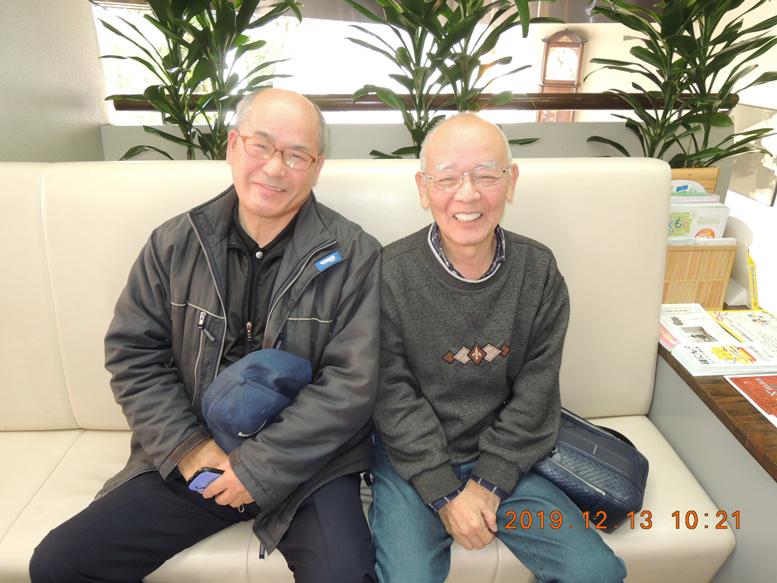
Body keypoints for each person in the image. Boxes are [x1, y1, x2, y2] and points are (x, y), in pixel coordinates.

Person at [30, 88, 381, 583]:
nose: (275, 167)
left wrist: (257, 469)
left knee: (344, 575)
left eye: (296, 155)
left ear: (316, 167)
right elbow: (134, 356)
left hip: (309, 465)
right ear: (233, 146)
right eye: (261, 146)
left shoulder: (356, 256)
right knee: (59, 564)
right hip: (198, 453)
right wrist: (190, 448)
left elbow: (352, 385)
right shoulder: (175, 244)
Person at [369, 113, 627, 583]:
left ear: (511, 182)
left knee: (596, 573)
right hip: (413, 459)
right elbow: (390, 395)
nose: (467, 194)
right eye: (447, 177)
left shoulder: (538, 270)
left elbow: (537, 392)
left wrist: (488, 483)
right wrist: (443, 492)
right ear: (424, 188)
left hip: (505, 455)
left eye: (486, 175)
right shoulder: (390, 272)